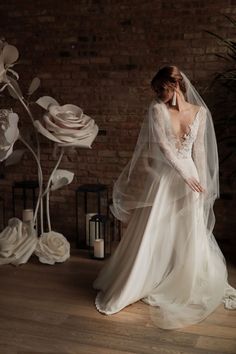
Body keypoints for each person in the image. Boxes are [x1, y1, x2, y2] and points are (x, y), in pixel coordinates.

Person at [93, 66, 235, 329]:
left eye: (162, 89)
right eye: (157, 91)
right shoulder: (157, 109)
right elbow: (164, 147)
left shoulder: (200, 113)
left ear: (175, 85)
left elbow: (200, 151)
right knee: (157, 227)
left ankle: (182, 278)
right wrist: (184, 173)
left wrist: (202, 184)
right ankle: (148, 276)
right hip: (168, 178)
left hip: (191, 179)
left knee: (188, 229)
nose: (159, 94)